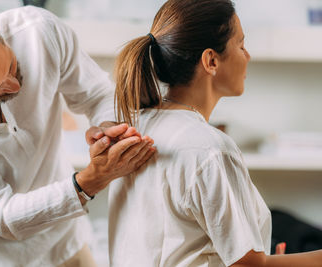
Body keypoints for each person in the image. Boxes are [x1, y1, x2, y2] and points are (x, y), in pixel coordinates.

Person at [0, 6, 155, 267]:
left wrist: (108, 126)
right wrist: (91, 181)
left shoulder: (39, 31)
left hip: (58, 227)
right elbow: (2, 214)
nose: (15, 86)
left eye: (10, 66)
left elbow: (96, 94)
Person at [109, 0, 322, 266]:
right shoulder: (210, 148)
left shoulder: (137, 127)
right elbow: (248, 264)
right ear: (211, 60)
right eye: (241, 45)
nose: (248, 56)